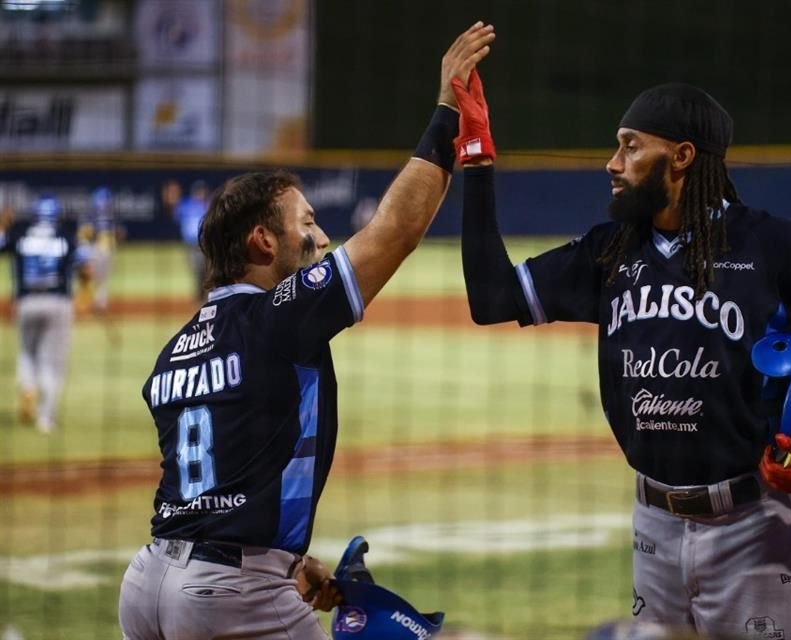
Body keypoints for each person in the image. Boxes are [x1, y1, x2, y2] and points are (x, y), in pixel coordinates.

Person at [454, 71, 791, 638]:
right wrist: (475, 159)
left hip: (756, 530)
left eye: (631, 145)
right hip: (653, 529)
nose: (612, 163)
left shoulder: (773, 246)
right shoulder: (611, 252)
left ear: (682, 156)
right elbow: (491, 298)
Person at [117, 22, 495, 640]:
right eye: (308, 223)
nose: (321, 238)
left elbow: (227, 478)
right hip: (229, 595)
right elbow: (394, 232)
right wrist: (449, 111)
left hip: (149, 583)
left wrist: (286, 561)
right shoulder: (278, 315)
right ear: (263, 241)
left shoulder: (174, 349)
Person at [0, 194, 89, 434]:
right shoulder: (65, 237)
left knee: (27, 352)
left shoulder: (21, 234)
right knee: (53, 362)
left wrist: (4, 224)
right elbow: (85, 265)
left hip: (26, 302)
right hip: (57, 302)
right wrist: (86, 290)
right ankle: (45, 419)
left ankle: (27, 386)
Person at [76, 186, 122, 315]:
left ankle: (95, 302)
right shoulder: (107, 216)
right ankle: (96, 302)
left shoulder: (93, 215)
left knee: (96, 278)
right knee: (97, 278)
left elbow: (83, 235)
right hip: (98, 251)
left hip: (100, 251)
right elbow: (84, 235)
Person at [164, 179, 209, 302]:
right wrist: (171, 197)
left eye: (202, 192)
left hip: (203, 243)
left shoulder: (207, 205)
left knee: (203, 268)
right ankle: (201, 294)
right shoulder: (186, 205)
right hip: (190, 244)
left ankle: (203, 294)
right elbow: (173, 211)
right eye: (199, 192)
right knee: (196, 269)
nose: (201, 194)